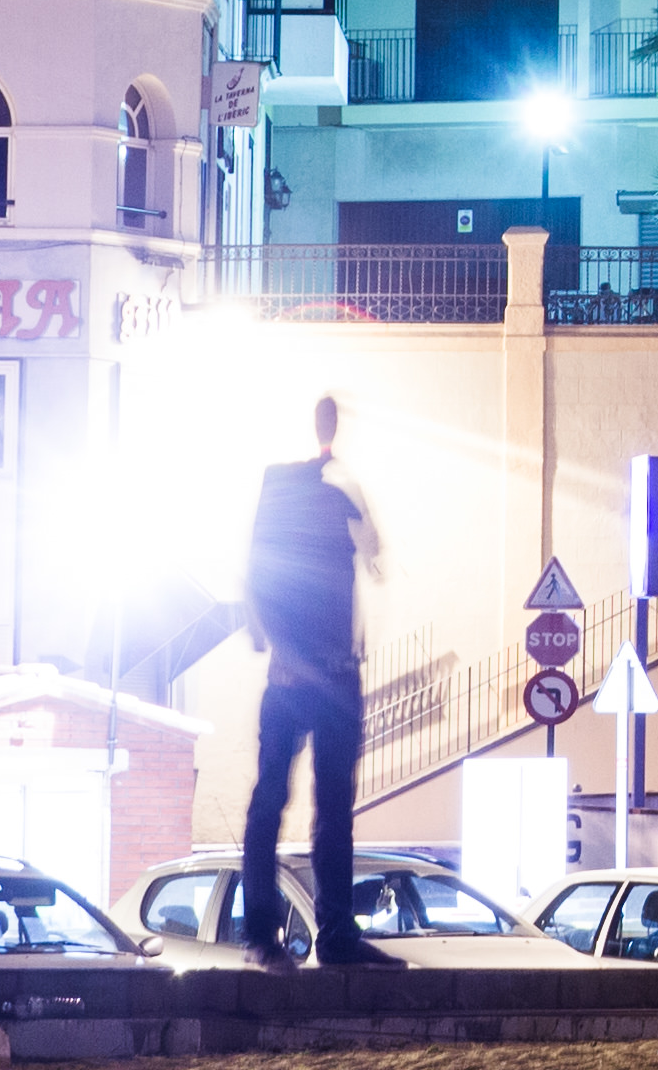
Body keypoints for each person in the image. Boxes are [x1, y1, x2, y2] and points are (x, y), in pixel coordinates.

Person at [238, 393, 390, 971]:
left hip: (316, 678)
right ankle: (292, 936)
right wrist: (294, 656)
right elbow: (260, 591)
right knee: (302, 806)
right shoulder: (309, 511)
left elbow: (369, 550)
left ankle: (300, 937)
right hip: (313, 678)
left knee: (298, 806)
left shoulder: (297, 516)